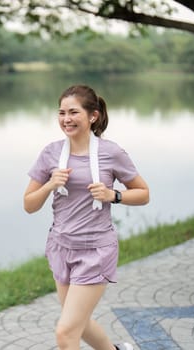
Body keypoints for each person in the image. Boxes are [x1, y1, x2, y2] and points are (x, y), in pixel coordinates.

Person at [23, 85, 149, 350]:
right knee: (80, 323)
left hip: (95, 251)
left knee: (65, 333)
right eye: (61, 113)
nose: (66, 119)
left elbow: (143, 193)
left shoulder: (111, 152)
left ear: (93, 116)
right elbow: (29, 205)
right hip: (61, 248)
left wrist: (112, 195)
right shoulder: (51, 153)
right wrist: (48, 185)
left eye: (73, 112)